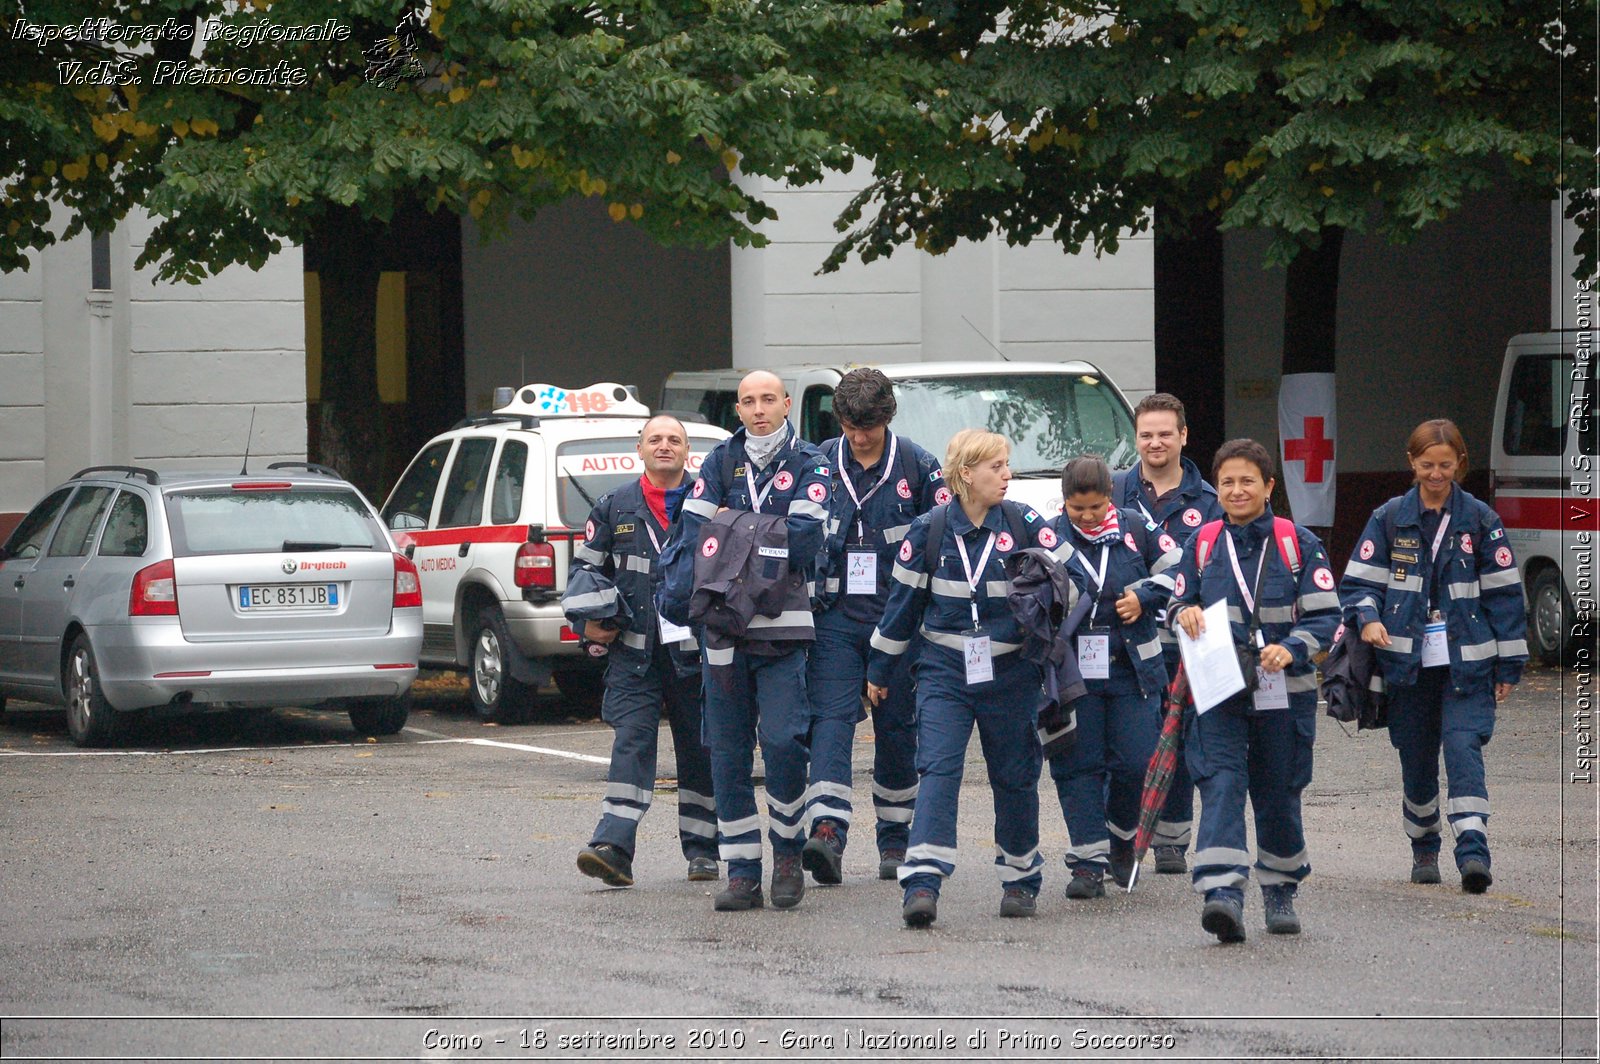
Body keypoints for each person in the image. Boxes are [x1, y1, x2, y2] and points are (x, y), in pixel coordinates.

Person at [866, 429, 1058, 927]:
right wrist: (879, 671)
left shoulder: (1024, 522)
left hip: (1012, 673)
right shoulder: (928, 530)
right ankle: (922, 882)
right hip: (944, 672)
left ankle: (1020, 879)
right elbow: (900, 610)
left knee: (1015, 777)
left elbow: (1066, 583)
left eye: (1007, 464)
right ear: (966, 473)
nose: (1007, 474)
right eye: (996, 466)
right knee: (938, 770)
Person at [1337, 418, 1526, 893]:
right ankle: (1424, 846)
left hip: (1468, 665)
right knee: (1417, 760)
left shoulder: (1481, 520)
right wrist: (1369, 618)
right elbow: (1358, 584)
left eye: (1445, 465)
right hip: (1407, 667)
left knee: (1463, 749)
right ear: (1412, 463)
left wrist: (1509, 665)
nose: (1436, 474)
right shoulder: (1387, 518)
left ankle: (1473, 852)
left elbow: (1505, 595)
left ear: (1460, 463)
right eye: (1427, 465)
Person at [672, 370, 831, 911]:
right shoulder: (718, 461)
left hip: (783, 629)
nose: (758, 409)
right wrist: (764, 532)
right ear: (736, 410)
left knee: (785, 742)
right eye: (747, 401)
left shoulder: (812, 463)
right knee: (728, 754)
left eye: (768, 399)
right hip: (722, 630)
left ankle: (787, 853)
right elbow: (694, 536)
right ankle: (742, 869)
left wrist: (731, 528)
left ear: (787, 404)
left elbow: (806, 541)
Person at [1169, 439, 1340, 943]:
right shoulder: (1200, 544)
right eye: (1227, 482)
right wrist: (1185, 613)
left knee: (1278, 789)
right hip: (1220, 690)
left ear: (1268, 487)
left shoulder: (1298, 544)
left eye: (1248, 481)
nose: (1237, 490)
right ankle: (1222, 894)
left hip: (1285, 693)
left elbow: (1328, 617)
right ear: (1215, 490)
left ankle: (1280, 889)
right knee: (1220, 783)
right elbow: (1176, 604)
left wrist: (1293, 648)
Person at [803, 369, 946, 885]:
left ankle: (895, 839)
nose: (859, 437)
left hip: (900, 621)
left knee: (896, 728)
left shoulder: (920, 467)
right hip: (835, 619)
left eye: (869, 427)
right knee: (831, 720)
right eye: (850, 426)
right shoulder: (816, 463)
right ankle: (827, 831)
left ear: (888, 417)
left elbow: (944, 545)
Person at [567, 415, 718, 888]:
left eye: (674, 439)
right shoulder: (613, 508)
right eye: (656, 439)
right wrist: (587, 624)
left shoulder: (710, 504)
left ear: (688, 450)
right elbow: (583, 575)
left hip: (694, 656)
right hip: (633, 656)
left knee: (699, 750)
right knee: (631, 743)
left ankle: (703, 851)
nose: (665, 446)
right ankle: (613, 847)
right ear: (641, 449)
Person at [1048, 456, 1178, 900]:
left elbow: (1180, 572)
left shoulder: (1138, 528)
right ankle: (1087, 862)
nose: (1086, 517)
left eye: (1097, 508)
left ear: (1111, 500)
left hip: (1132, 672)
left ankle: (1123, 840)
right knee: (1078, 764)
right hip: (1073, 675)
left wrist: (1144, 596)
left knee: (1135, 764)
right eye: (1077, 509)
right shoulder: (1050, 535)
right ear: (1064, 502)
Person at [1113, 392, 1222, 874]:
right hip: (1124, 643)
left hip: (1188, 640)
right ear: (1135, 438)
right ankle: (1121, 836)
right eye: (1146, 434)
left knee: (1181, 735)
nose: (1155, 443)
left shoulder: (1214, 502)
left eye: (1164, 433)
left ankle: (1173, 841)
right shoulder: (1112, 492)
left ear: (1183, 437)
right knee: (1132, 742)